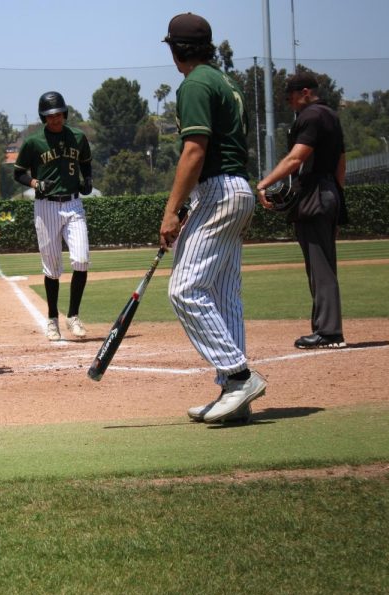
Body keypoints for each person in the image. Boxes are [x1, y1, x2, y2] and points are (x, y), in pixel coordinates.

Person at [159, 13, 267, 425]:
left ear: (176, 49)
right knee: (223, 296)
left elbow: (195, 152)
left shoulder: (195, 84)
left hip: (220, 190)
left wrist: (172, 211)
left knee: (184, 290)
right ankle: (234, 395)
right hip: (235, 187)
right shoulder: (226, 82)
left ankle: (239, 377)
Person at [256, 71, 348, 350]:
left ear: (305, 92)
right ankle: (324, 328)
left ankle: (330, 332)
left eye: (291, 97)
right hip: (328, 190)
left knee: (320, 267)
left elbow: (297, 157)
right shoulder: (331, 115)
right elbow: (341, 161)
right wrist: (338, 198)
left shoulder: (310, 116)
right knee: (322, 264)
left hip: (315, 194)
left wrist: (264, 183)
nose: (290, 103)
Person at [13, 90, 93, 341]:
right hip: (45, 207)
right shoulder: (34, 142)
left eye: (58, 114)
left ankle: (73, 316)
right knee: (52, 268)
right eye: (49, 116)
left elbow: (86, 162)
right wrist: (35, 182)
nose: (55, 119)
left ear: (65, 113)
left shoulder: (78, 137)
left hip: (73, 204)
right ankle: (52, 320)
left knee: (81, 260)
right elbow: (18, 173)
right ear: (43, 117)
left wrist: (87, 179)